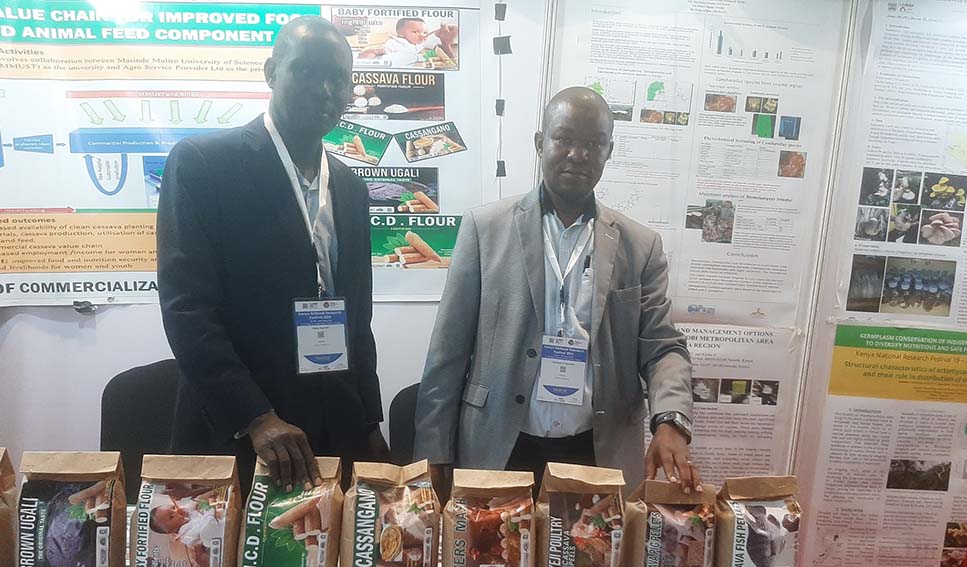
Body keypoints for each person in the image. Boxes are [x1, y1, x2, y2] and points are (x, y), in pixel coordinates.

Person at [414, 87, 696, 496]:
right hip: (500, 446)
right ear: (539, 142)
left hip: (597, 450)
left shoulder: (641, 245)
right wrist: (433, 451)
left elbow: (663, 347)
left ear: (608, 151)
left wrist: (670, 419)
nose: (578, 155)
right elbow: (447, 351)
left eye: (593, 143)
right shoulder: (484, 229)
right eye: (564, 139)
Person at [157, 16, 388, 496]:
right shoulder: (205, 165)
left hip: (331, 429)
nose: (324, 89)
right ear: (270, 71)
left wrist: (369, 420)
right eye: (306, 71)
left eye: (339, 79)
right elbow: (187, 309)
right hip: (242, 437)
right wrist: (255, 417)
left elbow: (357, 316)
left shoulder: (350, 187)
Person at [359, 17, 457, 63]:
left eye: (424, 32)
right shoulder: (394, 43)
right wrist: (375, 52)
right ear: (400, 33)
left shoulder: (423, 45)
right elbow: (383, 52)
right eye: (415, 32)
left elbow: (445, 57)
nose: (421, 36)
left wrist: (444, 44)